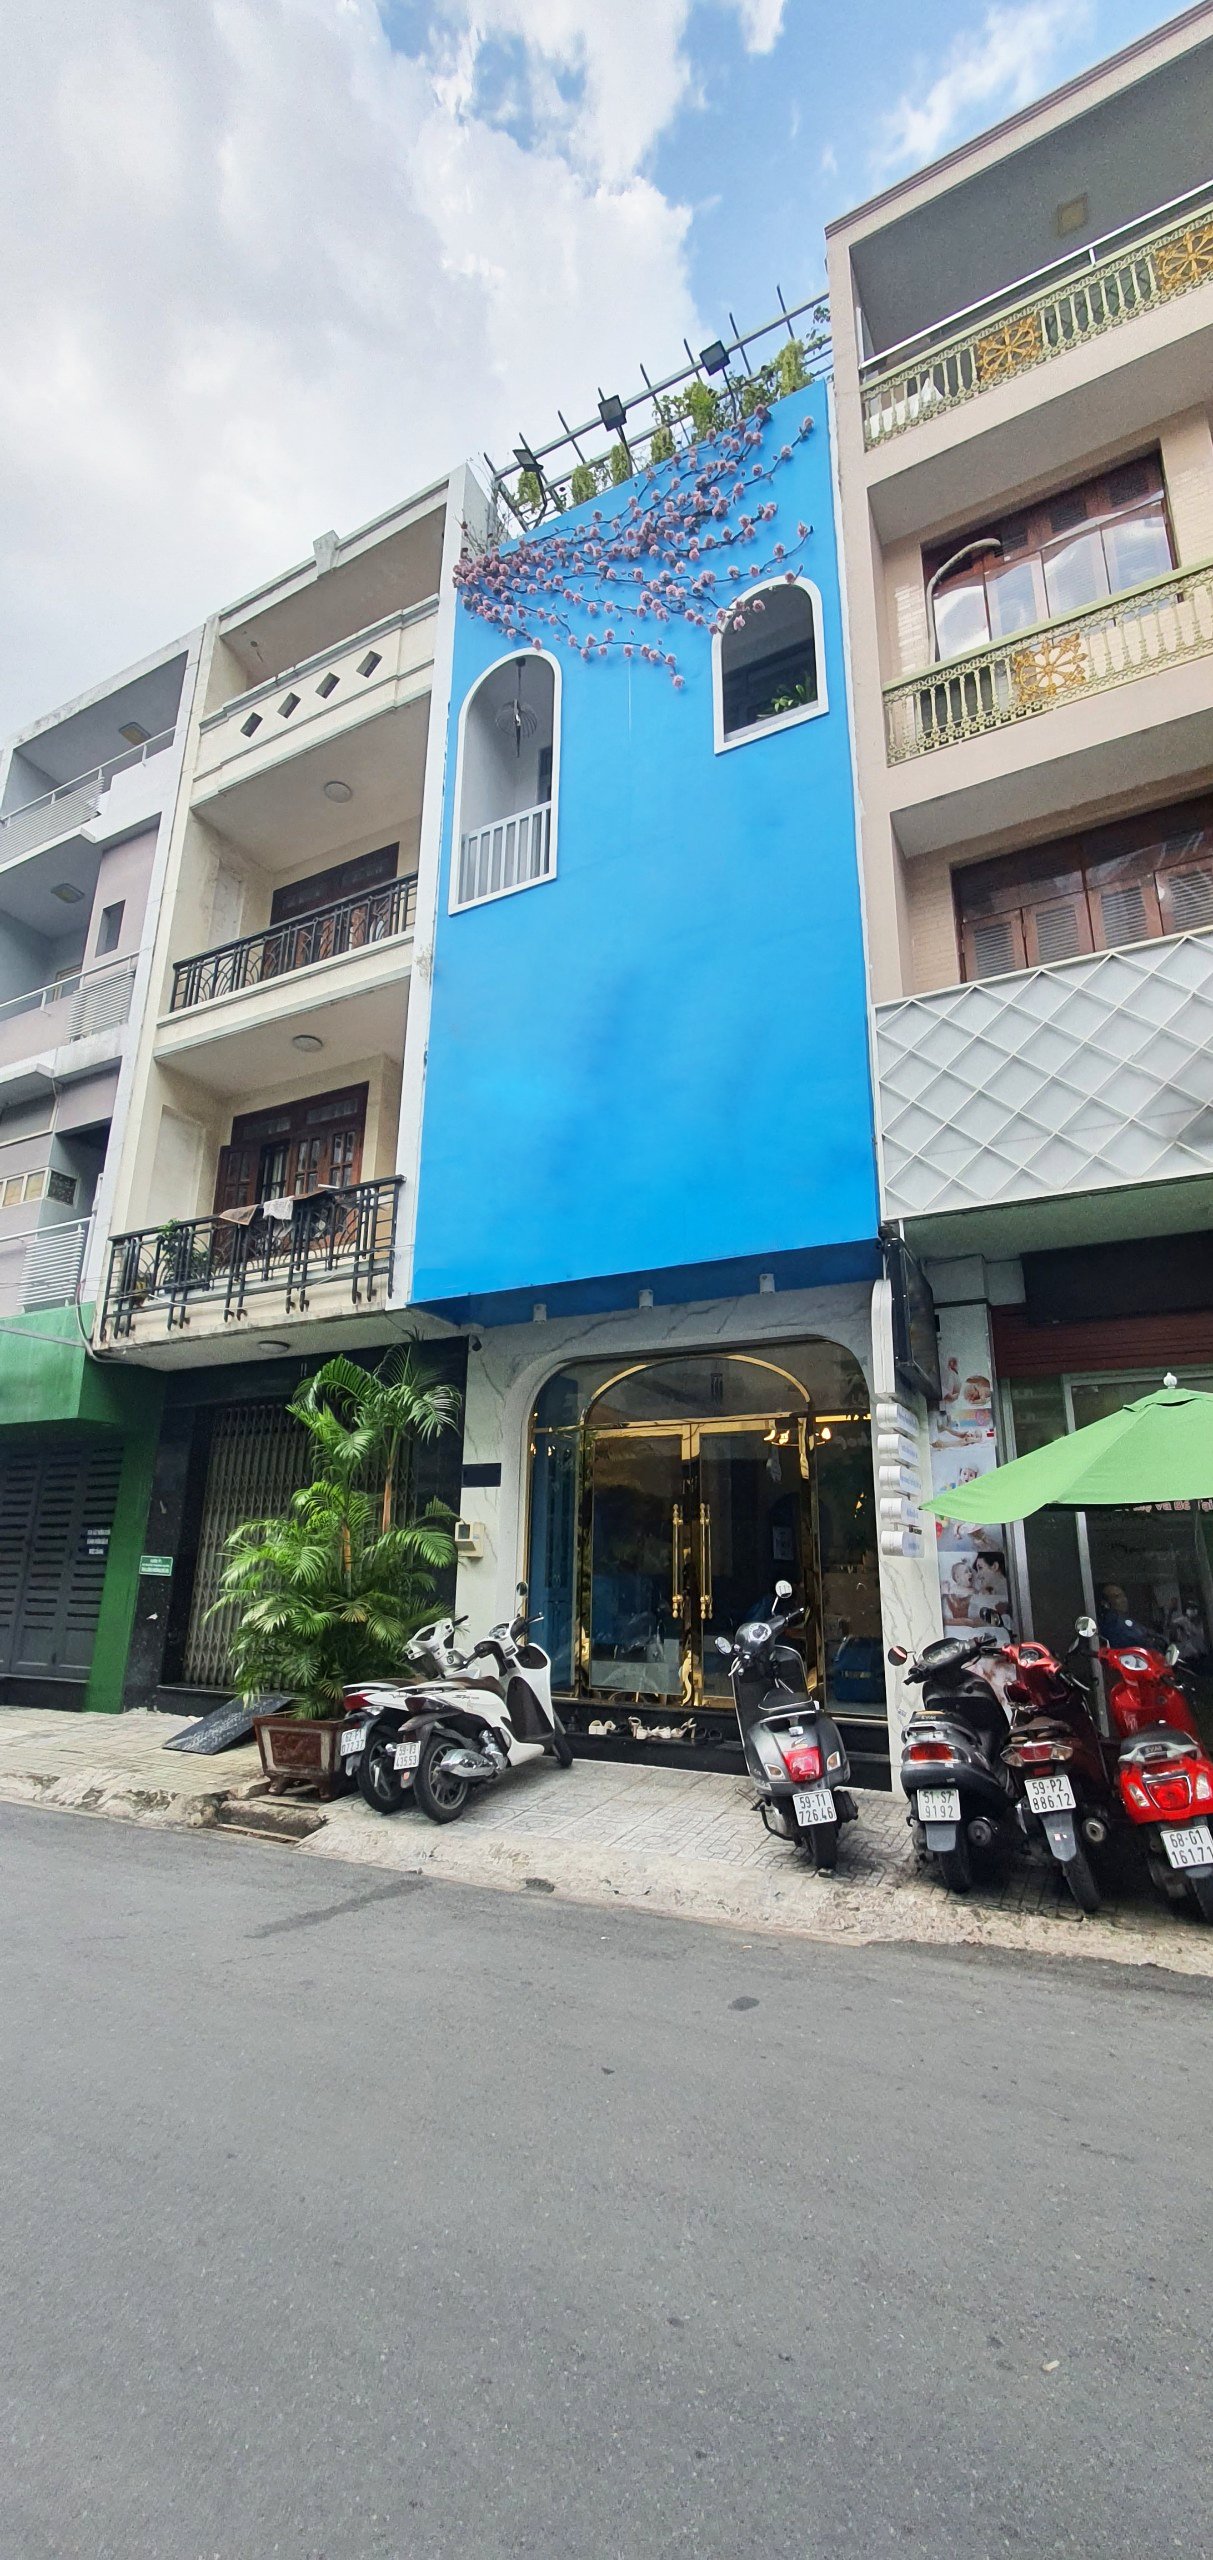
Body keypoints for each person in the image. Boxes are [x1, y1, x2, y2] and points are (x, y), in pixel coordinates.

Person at [1097, 1582, 1162, 1650]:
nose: (1124, 1600)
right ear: (1105, 1603)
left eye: (1124, 1596)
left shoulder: (1127, 1621)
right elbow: (1138, 1638)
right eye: (1117, 1597)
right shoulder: (1113, 1622)